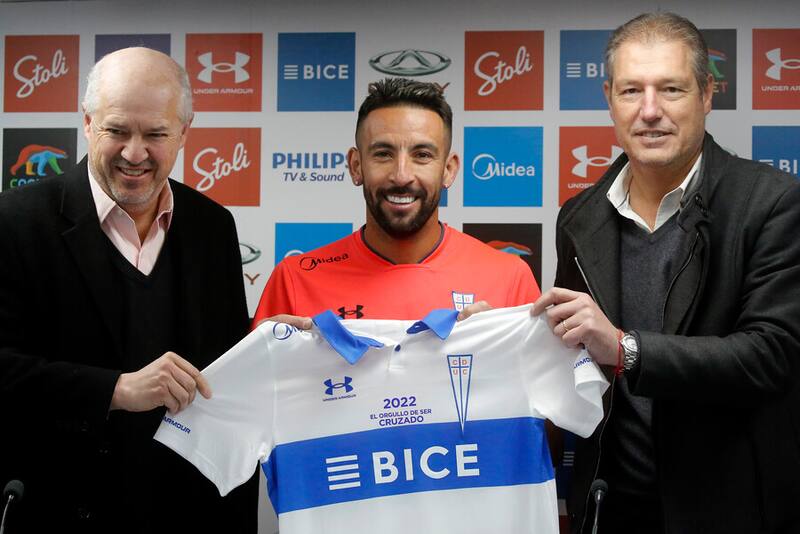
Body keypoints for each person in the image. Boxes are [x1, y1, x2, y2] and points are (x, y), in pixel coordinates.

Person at [532, 12, 800, 534]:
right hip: (611, 507)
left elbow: (772, 356)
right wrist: (489, 335)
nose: (649, 111)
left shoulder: (772, 204)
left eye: (671, 89)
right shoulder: (578, 217)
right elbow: (574, 351)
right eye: (632, 90)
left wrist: (626, 349)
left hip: (731, 509)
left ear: (706, 94)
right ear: (609, 97)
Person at [0, 47, 257, 533]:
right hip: (57, 512)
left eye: (156, 134)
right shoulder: (15, 222)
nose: (134, 153)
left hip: (182, 514)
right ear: (88, 123)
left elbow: (224, 376)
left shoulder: (213, 227)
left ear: (184, 132)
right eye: (117, 130)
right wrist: (116, 389)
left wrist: (269, 346)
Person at [254, 77, 540, 324]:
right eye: (383, 153)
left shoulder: (510, 277)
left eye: (422, 155)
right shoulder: (294, 280)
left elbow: (536, 385)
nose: (402, 175)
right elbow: (252, 386)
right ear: (356, 166)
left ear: (449, 170)